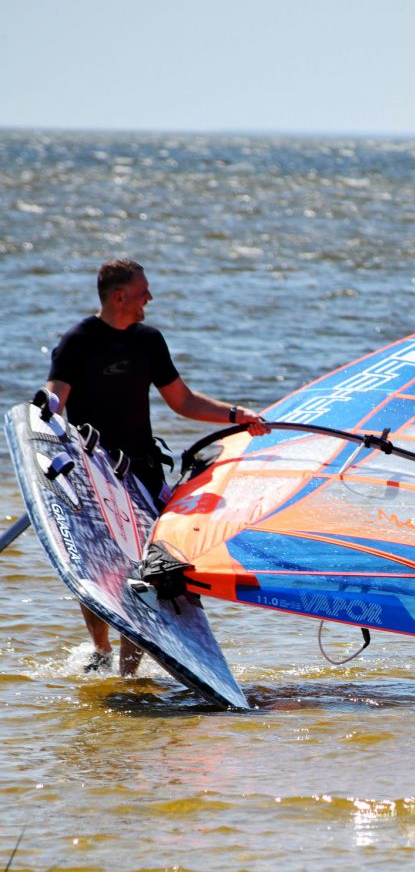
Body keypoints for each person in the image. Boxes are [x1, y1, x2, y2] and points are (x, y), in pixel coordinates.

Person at [46, 258, 269, 675]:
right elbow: (54, 396)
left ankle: (128, 673)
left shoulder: (148, 341)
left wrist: (237, 415)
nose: (150, 297)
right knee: (97, 565)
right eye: (143, 290)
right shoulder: (79, 340)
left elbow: (182, 401)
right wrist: (42, 416)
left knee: (146, 570)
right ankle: (100, 650)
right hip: (93, 473)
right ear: (119, 296)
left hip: (143, 473)